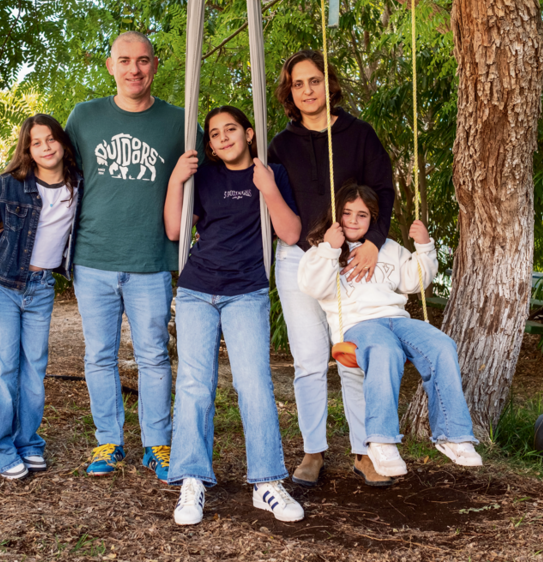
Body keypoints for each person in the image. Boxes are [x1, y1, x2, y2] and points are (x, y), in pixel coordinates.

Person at [64, 31, 203, 481]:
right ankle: (108, 440)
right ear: (110, 66)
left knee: (154, 356)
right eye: (124, 60)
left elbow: (210, 182)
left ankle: (157, 443)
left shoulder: (179, 123)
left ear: (155, 65)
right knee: (99, 356)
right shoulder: (84, 118)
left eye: (143, 60)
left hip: (150, 260)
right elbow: (53, 173)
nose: (134, 69)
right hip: (93, 257)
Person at [162, 106, 304, 525]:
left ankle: (266, 482)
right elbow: (175, 231)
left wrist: (269, 189)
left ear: (249, 133)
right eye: (214, 133)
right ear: (209, 143)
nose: (223, 137)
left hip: (246, 291)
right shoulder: (204, 177)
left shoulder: (271, 173)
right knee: (194, 385)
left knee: (254, 383)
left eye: (231, 129)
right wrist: (176, 180)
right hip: (197, 290)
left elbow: (290, 233)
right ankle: (192, 479)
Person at [268, 50, 397, 486]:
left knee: (352, 358)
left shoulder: (359, 134)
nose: (307, 90)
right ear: (289, 92)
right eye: (298, 84)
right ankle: (313, 451)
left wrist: (374, 242)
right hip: (299, 259)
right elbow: (274, 204)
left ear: (330, 83)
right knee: (307, 360)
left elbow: (383, 190)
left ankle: (364, 452)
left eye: (315, 80)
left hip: (352, 260)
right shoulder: (281, 145)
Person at [298, 184, 482, 477]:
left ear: (372, 218)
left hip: (398, 320)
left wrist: (424, 247)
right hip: (359, 325)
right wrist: (331, 249)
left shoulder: (389, 248)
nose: (354, 220)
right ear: (336, 215)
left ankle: (453, 434)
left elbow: (414, 281)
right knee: (385, 350)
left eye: (362, 215)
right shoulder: (321, 252)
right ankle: (381, 441)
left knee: (441, 344)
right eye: (347, 213)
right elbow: (314, 287)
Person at [0, 114, 82, 480]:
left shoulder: (79, 184)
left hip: (41, 288)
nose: (45, 147)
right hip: (1, 283)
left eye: (50, 139)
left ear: (63, 142)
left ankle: (27, 441)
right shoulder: (12, 183)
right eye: (35, 142)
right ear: (27, 149)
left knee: (34, 370)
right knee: (3, 368)